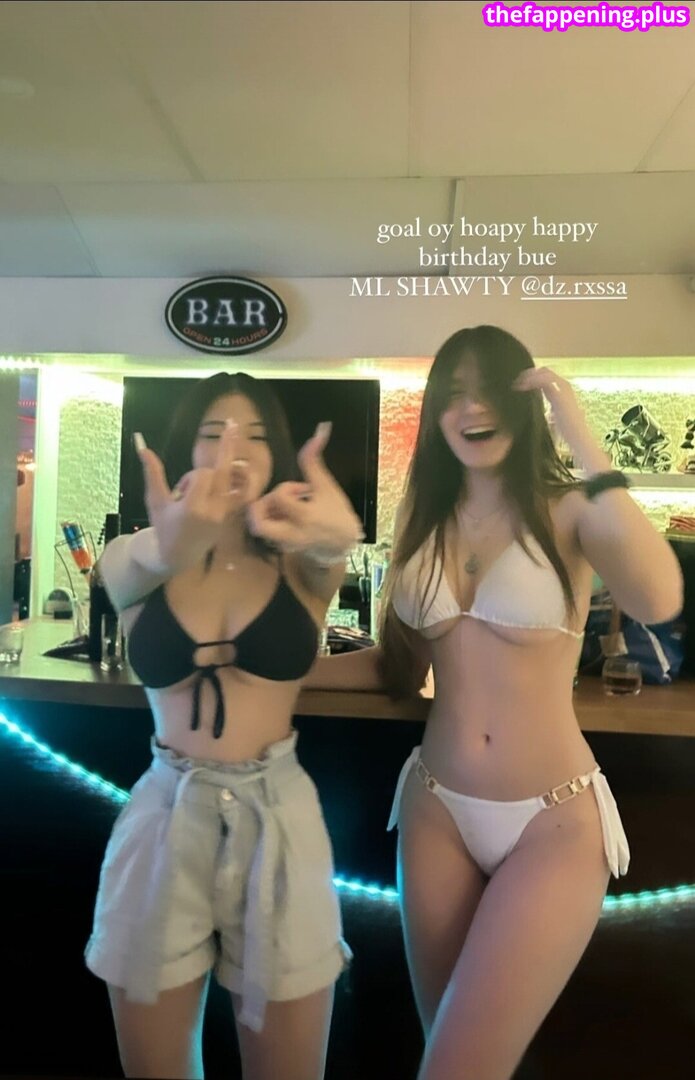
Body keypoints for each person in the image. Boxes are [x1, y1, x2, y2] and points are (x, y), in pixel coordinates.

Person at [306, 326, 683, 1080]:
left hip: (552, 817)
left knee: (459, 1064)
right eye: (453, 393)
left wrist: (580, 434)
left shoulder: (570, 510)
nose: (472, 408)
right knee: (449, 1052)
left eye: (492, 391)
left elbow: (657, 596)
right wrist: (275, 677)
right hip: (435, 808)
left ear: (526, 405)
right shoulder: (423, 517)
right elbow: (399, 667)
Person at [85, 372, 364, 1080]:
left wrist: (338, 536)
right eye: (213, 434)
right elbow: (132, 563)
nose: (234, 449)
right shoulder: (137, 558)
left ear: (279, 457)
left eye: (256, 436)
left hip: (280, 820)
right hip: (163, 820)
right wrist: (169, 547)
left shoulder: (300, 562)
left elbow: (329, 551)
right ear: (185, 449)